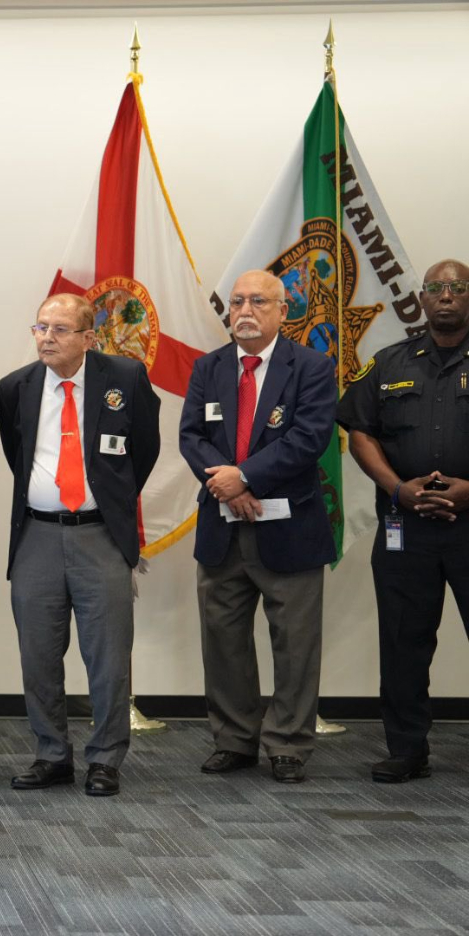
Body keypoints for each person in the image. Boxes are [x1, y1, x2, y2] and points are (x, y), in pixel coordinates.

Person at [0, 294, 160, 797]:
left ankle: (106, 758)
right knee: (38, 656)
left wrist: (108, 502)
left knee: (109, 656)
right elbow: (14, 452)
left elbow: (145, 450)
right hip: (37, 535)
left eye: (60, 329)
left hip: (101, 536)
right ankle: (51, 755)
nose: (46, 337)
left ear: (89, 338)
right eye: (41, 326)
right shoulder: (15, 387)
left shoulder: (125, 378)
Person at [178, 269, 337, 785]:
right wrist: (229, 486)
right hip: (222, 528)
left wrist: (243, 476)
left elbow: (309, 440)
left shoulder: (312, 366)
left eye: (258, 302)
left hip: (289, 529)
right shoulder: (209, 367)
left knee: (295, 643)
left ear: (282, 310)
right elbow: (192, 436)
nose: (244, 311)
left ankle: (289, 743)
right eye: (238, 302)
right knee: (223, 639)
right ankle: (234, 739)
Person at [336, 260, 469, 783]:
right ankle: (407, 749)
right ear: (422, 297)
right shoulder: (389, 363)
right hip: (404, 527)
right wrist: (397, 488)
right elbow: (360, 431)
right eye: (436, 288)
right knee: (402, 639)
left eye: (457, 288)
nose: (446, 297)